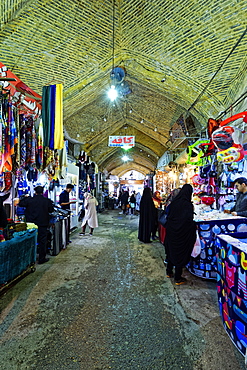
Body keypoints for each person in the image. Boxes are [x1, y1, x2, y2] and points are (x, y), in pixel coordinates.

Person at [164, 184, 196, 285]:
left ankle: (169, 272)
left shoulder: (174, 202)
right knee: (180, 252)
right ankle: (178, 278)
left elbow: (169, 216)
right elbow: (188, 220)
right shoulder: (187, 205)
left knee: (171, 250)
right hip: (182, 233)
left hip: (172, 231)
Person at [18, 186, 54, 264]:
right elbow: (51, 210)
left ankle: (29, 259)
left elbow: (20, 204)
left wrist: (25, 197)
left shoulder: (30, 200)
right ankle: (41, 259)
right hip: (43, 223)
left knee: (30, 240)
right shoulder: (47, 201)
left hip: (31, 224)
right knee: (42, 241)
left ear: (35, 192)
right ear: (43, 192)